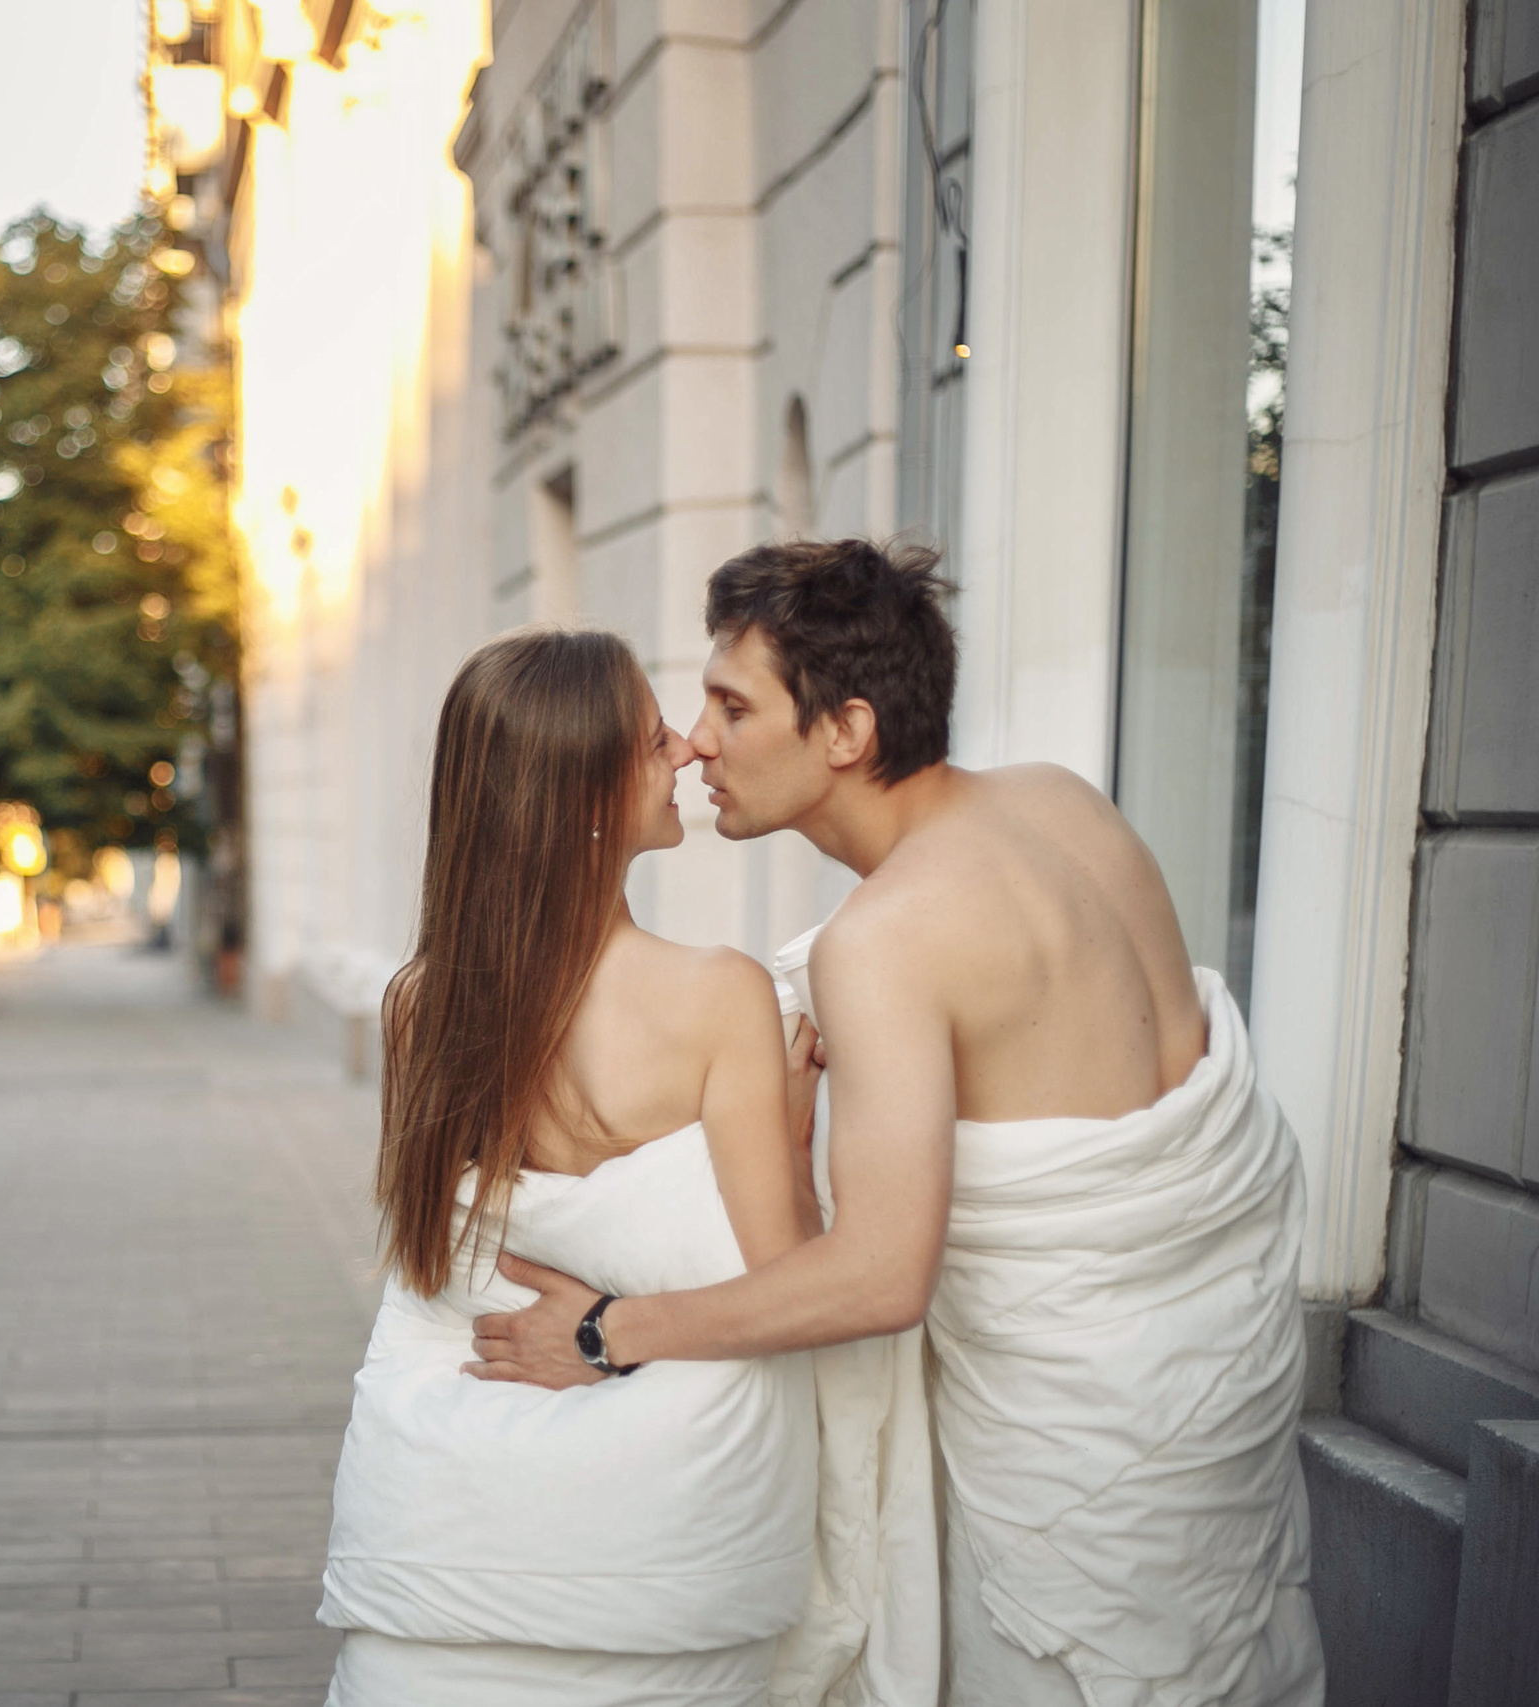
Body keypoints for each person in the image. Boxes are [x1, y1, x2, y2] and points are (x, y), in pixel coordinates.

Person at [465, 540, 1325, 1706]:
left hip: (1073, 1467)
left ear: (846, 732)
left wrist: (609, 1332)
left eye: (730, 704)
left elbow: (878, 1282)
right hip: (1210, 1417)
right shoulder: (1056, 805)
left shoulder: (887, 941)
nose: (695, 739)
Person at [316, 627, 823, 1706]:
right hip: (655, 1540)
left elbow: (437, 1260)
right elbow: (791, 1289)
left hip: (446, 1535)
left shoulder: (420, 1006)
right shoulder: (718, 997)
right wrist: (790, 1139)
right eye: (651, 740)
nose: (688, 749)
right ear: (583, 789)